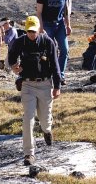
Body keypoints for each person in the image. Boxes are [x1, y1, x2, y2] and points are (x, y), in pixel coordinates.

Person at [8, 16, 61, 166]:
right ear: (26, 30)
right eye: (29, 31)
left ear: (39, 29)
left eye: (34, 31)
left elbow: (55, 66)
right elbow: (11, 56)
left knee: (44, 121)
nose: (32, 34)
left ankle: (47, 130)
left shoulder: (47, 42)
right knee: (28, 119)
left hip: (45, 85)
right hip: (27, 85)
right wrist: (14, 66)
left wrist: (57, 87)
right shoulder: (20, 42)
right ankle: (29, 154)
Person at [36, 0, 72, 86]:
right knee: (50, 51)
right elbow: (39, 12)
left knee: (65, 50)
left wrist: (68, 24)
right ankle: (49, 75)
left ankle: (60, 75)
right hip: (47, 24)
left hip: (60, 23)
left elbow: (65, 8)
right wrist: (41, 28)